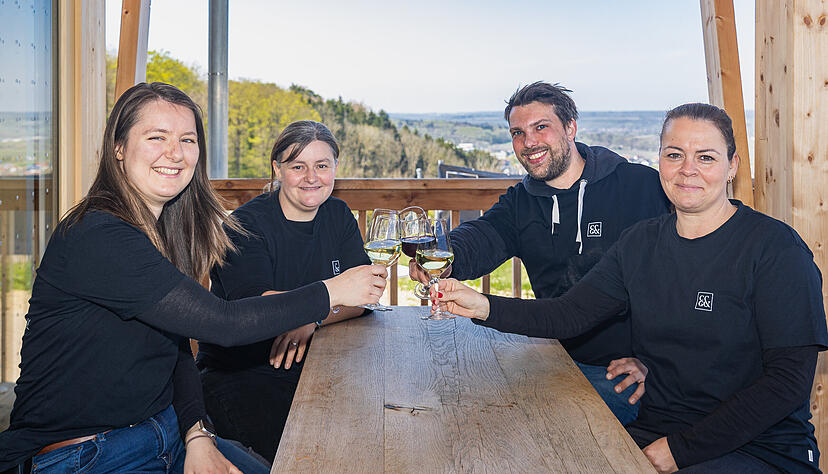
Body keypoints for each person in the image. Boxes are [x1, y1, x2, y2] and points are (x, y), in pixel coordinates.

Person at [0, 83, 387, 473]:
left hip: (165, 433)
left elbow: (176, 350)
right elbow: (225, 322)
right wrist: (332, 291)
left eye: (187, 139)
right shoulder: (98, 235)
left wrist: (196, 434)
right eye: (157, 137)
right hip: (87, 453)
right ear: (118, 148)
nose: (175, 152)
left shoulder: (163, 232)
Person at [433, 103, 827, 473]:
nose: (687, 169)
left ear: (731, 167)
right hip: (660, 426)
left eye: (705, 157)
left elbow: (787, 383)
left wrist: (679, 450)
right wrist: (481, 305)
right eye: (674, 155)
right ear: (660, 162)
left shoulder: (775, 249)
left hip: (759, 447)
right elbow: (568, 314)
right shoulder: (641, 243)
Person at [410, 81, 670, 425]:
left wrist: (657, 361)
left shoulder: (639, 186)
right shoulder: (522, 202)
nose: (528, 142)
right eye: (518, 132)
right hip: (552, 354)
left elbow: (682, 276)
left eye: (541, 127)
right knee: (456, 406)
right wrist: (446, 256)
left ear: (571, 128)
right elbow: (483, 236)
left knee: (533, 427)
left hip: (623, 372)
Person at [196, 121, 369, 462]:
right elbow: (254, 308)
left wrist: (313, 321)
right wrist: (328, 300)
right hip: (240, 373)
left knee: (361, 439)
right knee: (298, 458)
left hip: (315, 366)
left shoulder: (338, 214)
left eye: (322, 165)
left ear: (335, 167)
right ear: (278, 169)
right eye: (297, 166)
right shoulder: (244, 225)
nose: (311, 177)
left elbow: (363, 297)